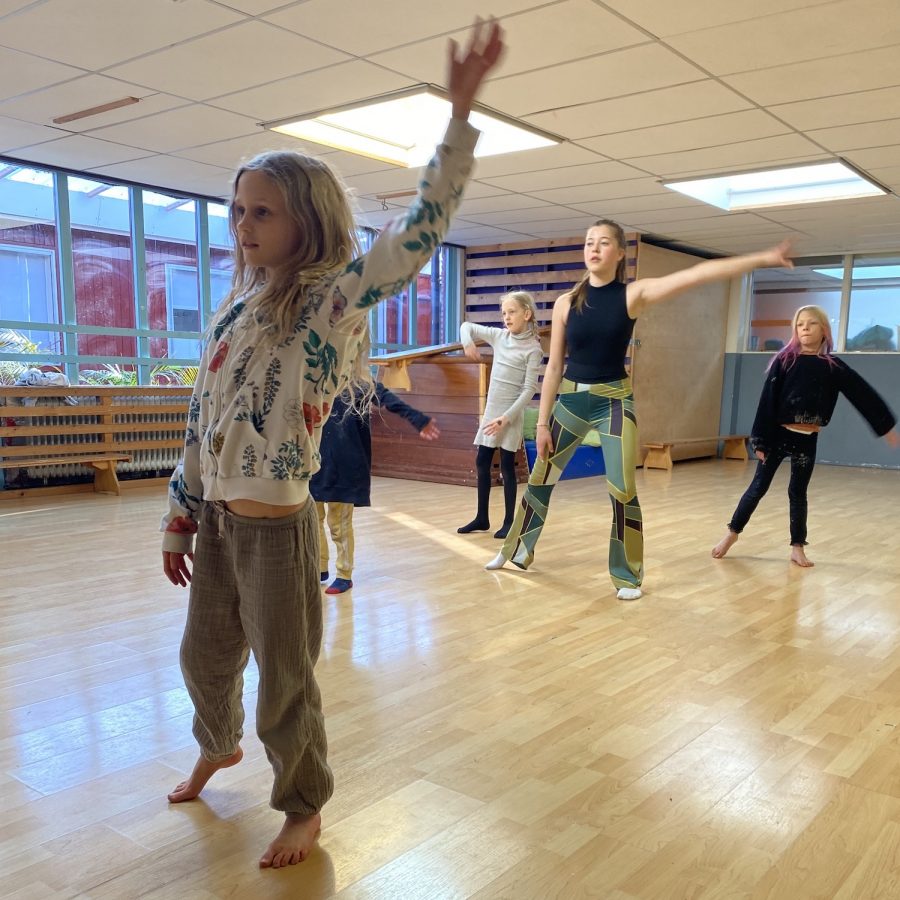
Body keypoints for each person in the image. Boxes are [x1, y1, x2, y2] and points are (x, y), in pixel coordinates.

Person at [159, 19, 503, 870]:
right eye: (237, 209)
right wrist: (179, 513)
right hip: (218, 524)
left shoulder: (327, 303)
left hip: (279, 531)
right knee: (202, 657)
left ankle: (303, 805)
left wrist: (458, 116)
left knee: (287, 682)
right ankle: (217, 743)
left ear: (304, 220)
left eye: (261, 211)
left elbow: (417, 236)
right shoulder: (236, 310)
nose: (243, 224)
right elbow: (203, 418)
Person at [486, 219, 795, 601]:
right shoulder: (567, 302)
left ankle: (628, 575)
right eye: (588, 243)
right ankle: (514, 549)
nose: (593, 249)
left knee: (623, 488)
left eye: (602, 243)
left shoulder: (632, 295)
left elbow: (697, 275)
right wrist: (544, 420)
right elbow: (552, 368)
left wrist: (763, 257)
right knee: (540, 479)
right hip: (570, 401)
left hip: (614, 401)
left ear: (618, 253)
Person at [712, 304, 898, 566]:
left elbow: (862, 394)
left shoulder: (833, 366)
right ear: (795, 331)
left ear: (824, 329)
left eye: (811, 324)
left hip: (806, 440)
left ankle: (797, 546)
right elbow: (768, 401)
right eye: (800, 325)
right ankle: (731, 534)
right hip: (777, 436)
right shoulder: (785, 362)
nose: (805, 329)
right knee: (757, 488)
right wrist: (760, 440)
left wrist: (885, 426)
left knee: (798, 493)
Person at [314, 381, 439, 594]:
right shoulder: (316, 375)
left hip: (345, 462)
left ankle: (344, 574)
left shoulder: (360, 382)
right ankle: (319, 567)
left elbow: (388, 399)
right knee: (312, 518)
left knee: (339, 523)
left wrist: (418, 419)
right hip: (315, 459)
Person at [457, 291, 543, 538]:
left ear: (526, 314)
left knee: (507, 466)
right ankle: (482, 518)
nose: (506, 317)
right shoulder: (499, 337)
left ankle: (509, 522)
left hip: (510, 416)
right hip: (491, 412)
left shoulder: (533, 349)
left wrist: (506, 418)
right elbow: (466, 326)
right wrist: (468, 343)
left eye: (512, 312)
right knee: (482, 462)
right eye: (504, 313)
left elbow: (529, 391)